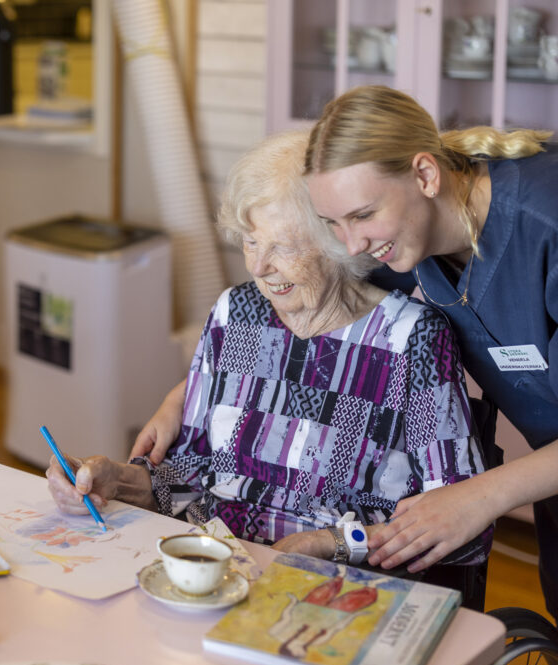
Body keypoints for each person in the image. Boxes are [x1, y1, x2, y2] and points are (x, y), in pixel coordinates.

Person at [48, 130, 491, 570]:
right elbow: (191, 476)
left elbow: (461, 528)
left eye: (282, 246)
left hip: (339, 582)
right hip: (214, 567)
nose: (258, 267)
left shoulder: (411, 338)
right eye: (251, 240)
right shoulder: (235, 313)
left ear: (339, 240)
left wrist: (331, 544)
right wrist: (116, 482)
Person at [301, 84, 558, 621]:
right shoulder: (403, 236)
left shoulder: (545, 222)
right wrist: (179, 398)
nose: (352, 245)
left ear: (425, 175)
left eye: (363, 215)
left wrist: (479, 497)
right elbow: (309, 310)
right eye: (334, 224)